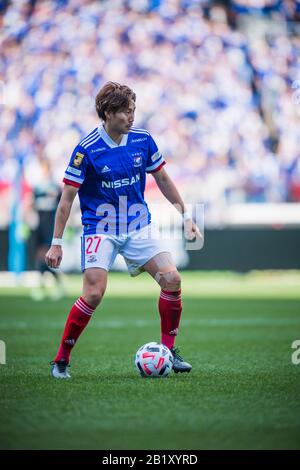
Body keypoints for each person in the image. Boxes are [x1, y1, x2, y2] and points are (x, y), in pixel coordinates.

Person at [45, 81, 201, 379]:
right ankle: (61, 359)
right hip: (99, 228)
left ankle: (168, 351)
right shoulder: (86, 149)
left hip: (137, 225)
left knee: (172, 278)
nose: (132, 117)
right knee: (93, 294)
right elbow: (67, 199)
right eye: (126, 112)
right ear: (108, 113)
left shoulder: (143, 140)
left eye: (133, 110)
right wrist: (56, 242)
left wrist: (186, 216)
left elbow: (164, 180)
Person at [31, 159, 64, 300]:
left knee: (45, 258)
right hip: (39, 225)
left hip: (50, 226)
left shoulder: (55, 188)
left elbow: (62, 206)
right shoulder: (37, 188)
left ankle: (54, 284)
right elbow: (32, 204)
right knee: (39, 257)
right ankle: (48, 286)